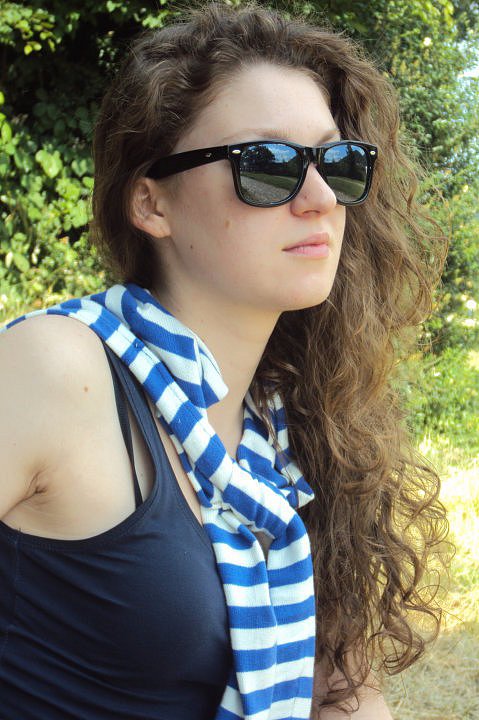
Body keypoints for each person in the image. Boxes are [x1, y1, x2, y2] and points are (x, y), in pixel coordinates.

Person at [0, 3, 448, 719]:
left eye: (337, 162)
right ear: (151, 204)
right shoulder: (57, 370)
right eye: (266, 164)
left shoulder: (294, 427)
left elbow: (343, 688)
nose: (319, 198)